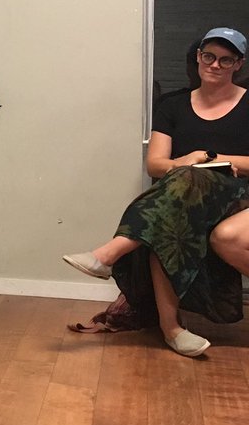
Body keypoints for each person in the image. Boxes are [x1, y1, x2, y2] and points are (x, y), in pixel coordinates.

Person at [64, 27, 249, 354]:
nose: (215, 65)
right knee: (170, 213)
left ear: (238, 64)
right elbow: (155, 164)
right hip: (187, 198)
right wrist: (184, 162)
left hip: (240, 198)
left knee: (173, 198)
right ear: (198, 57)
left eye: (225, 59)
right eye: (209, 56)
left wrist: (210, 159)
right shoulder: (172, 106)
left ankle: (108, 255)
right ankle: (172, 330)